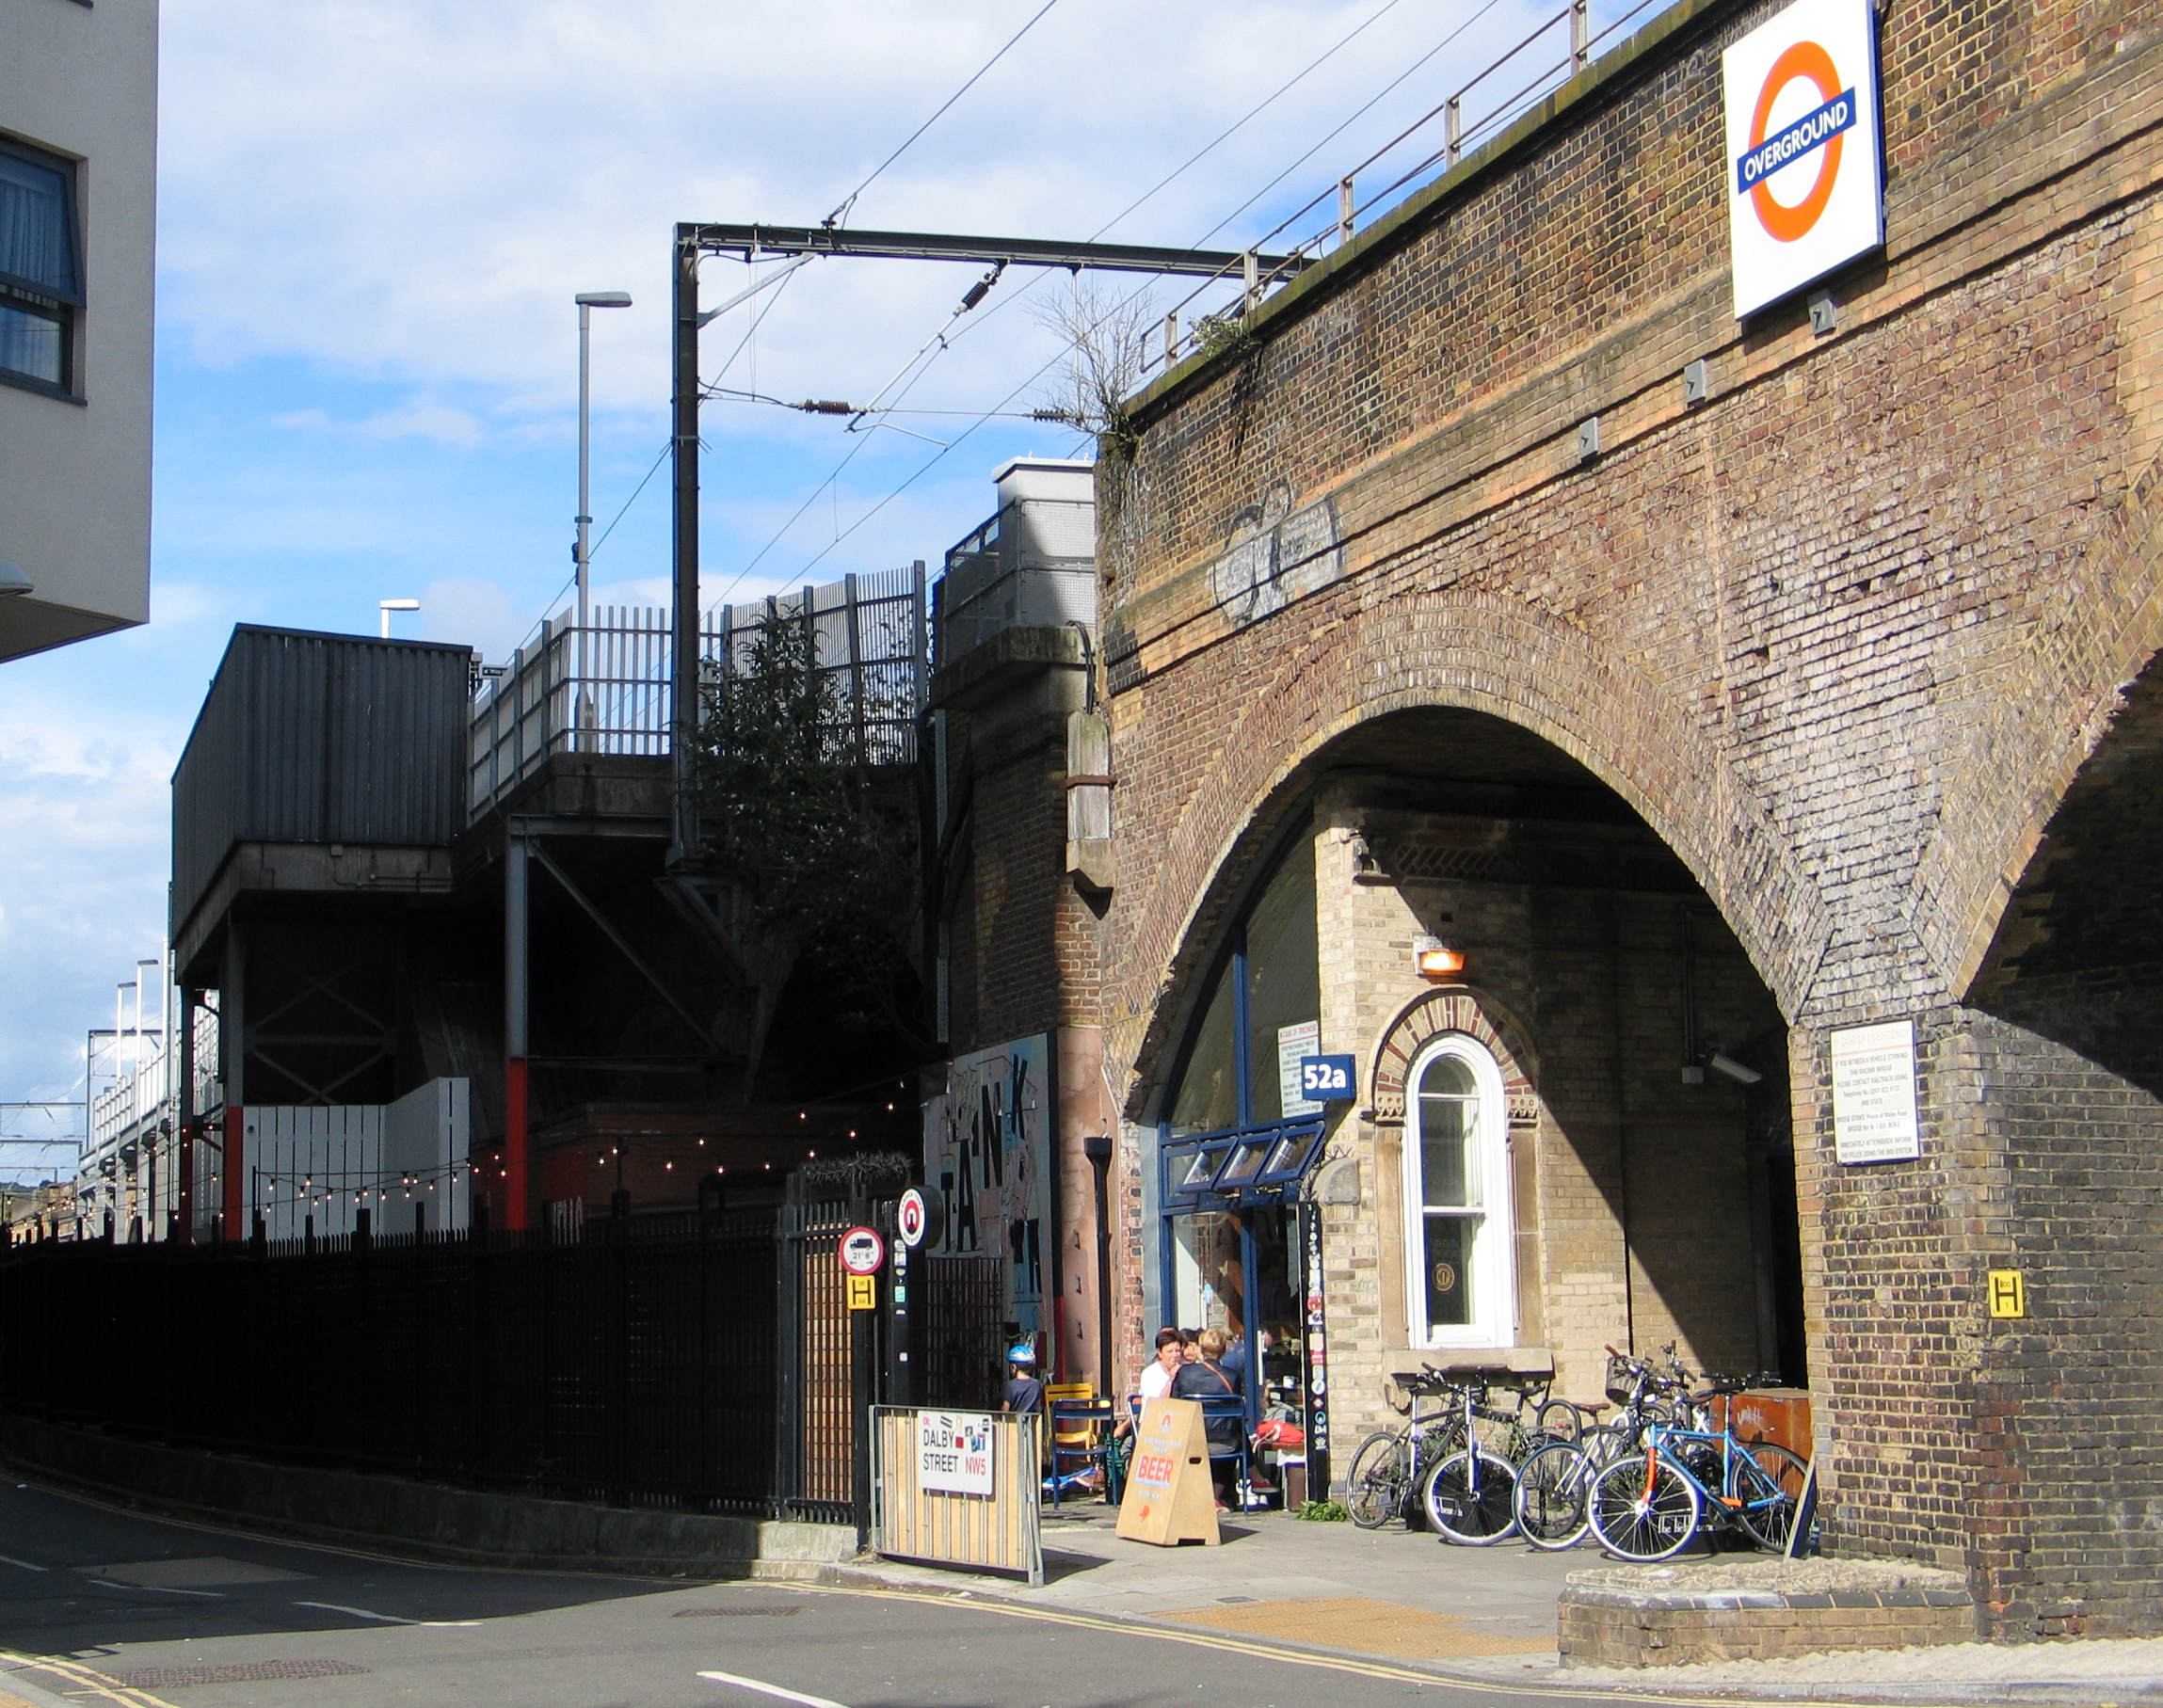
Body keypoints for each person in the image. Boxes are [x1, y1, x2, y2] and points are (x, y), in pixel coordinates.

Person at [1171, 1327, 1244, 1507]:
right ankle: (1215, 1496)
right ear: (1224, 1350)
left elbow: (1174, 1405)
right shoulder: (1232, 1376)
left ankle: (1199, 1497)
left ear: (1201, 1349)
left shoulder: (1185, 1373)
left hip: (1192, 1442)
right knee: (1236, 1439)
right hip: (1224, 1444)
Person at [1001, 1343, 1044, 1415]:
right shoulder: (1036, 1384)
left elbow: (1005, 1408)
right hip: (1031, 1420)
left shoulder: (1010, 1386)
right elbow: (1038, 1404)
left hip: (1014, 1421)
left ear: (1014, 1367)